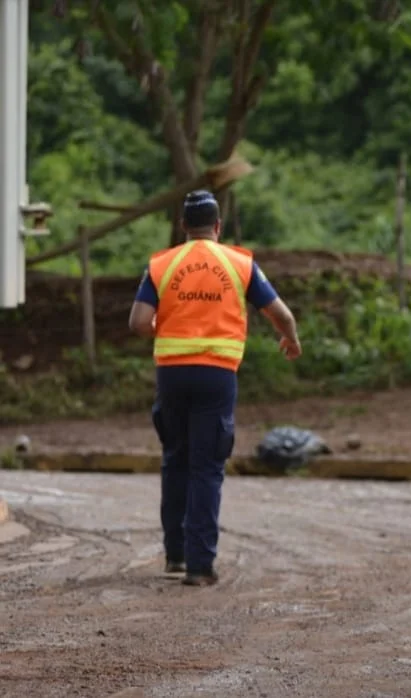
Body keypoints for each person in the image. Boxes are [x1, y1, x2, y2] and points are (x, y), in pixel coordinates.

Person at [128, 190, 301, 587]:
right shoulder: (239, 263)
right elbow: (281, 313)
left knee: (176, 460)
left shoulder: (162, 264)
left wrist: (165, 330)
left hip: (172, 373)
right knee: (207, 467)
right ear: (218, 227)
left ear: (183, 226)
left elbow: (138, 323)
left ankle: (174, 556)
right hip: (217, 375)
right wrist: (291, 339)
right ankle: (199, 565)